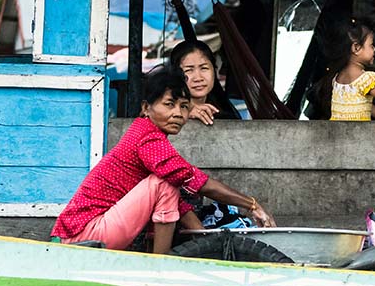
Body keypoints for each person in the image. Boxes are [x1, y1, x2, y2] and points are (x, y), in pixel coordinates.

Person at [51, 68, 275, 254]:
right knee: (165, 184)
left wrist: (207, 243)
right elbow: (197, 181)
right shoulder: (147, 138)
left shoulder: (148, 135)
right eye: (169, 104)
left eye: (184, 107)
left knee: (169, 184)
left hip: (85, 233)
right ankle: (160, 265)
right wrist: (252, 205)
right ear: (146, 108)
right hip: (84, 235)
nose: (178, 113)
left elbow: (178, 201)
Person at [169, 39, 240, 126]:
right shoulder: (165, 113)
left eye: (204, 68)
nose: (198, 78)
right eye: (188, 70)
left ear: (214, 70)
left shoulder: (224, 114)